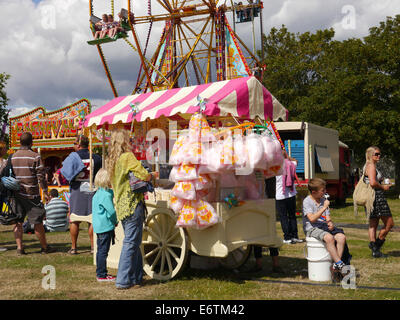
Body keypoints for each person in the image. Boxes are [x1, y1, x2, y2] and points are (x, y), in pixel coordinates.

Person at [106, 129, 157, 290]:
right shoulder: (127, 157)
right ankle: (123, 280)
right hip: (132, 204)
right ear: (124, 142)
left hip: (121, 205)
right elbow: (143, 174)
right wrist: (152, 174)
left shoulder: (111, 161)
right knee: (131, 243)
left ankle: (136, 277)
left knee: (133, 242)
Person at [10, 132, 55, 255]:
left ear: (20, 142)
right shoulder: (35, 156)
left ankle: (20, 248)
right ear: (31, 143)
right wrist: (45, 192)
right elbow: (41, 177)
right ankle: (45, 247)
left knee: (18, 222)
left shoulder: (13, 157)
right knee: (38, 222)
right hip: (32, 195)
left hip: (17, 194)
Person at [302, 178, 348, 274]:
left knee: (341, 237)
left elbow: (327, 216)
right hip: (312, 228)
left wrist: (329, 222)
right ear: (314, 192)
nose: (325, 192)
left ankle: (336, 264)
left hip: (323, 226)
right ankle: (339, 263)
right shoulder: (307, 201)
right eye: (322, 190)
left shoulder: (323, 200)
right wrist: (323, 207)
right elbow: (312, 219)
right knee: (329, 238)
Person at [68, 135, 102, 255]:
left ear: (78, 144)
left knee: (74, 220)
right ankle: (93, 247)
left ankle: (73, 247)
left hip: (77, 189)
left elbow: (66, 174)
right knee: (92, 220)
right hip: (92, 189)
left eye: (74, 143)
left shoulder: (73, 158)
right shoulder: (96, 158)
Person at [363, 146, 394, 258]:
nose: (378, 156)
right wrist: (383, 187)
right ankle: (376, 246)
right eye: (376, 154)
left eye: (379, 154)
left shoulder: (367, 165)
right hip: (376, 197)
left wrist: (380, 181)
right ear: (371, 155)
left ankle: (374, 249)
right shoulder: (371, 166)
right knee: (389, 224)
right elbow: (372, 183)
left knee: (373, 224)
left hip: (370, 197)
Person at [92, 168, 118, 282]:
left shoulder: (97, 194)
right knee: (103, 251)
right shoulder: (106, 195)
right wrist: (115, 221)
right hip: (105, 226)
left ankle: (100, 272)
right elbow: (111, 212)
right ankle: (102, 274)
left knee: (100, 251)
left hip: (98, 226)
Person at [276, 151, 303, 244]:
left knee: (283, 217)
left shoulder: (275, 167)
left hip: (280, 195)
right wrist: (288, 156)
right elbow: (296, 160)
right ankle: (295, 236)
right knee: (292, 216)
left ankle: (287, 237)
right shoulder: (292, 164)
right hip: (291, 193)